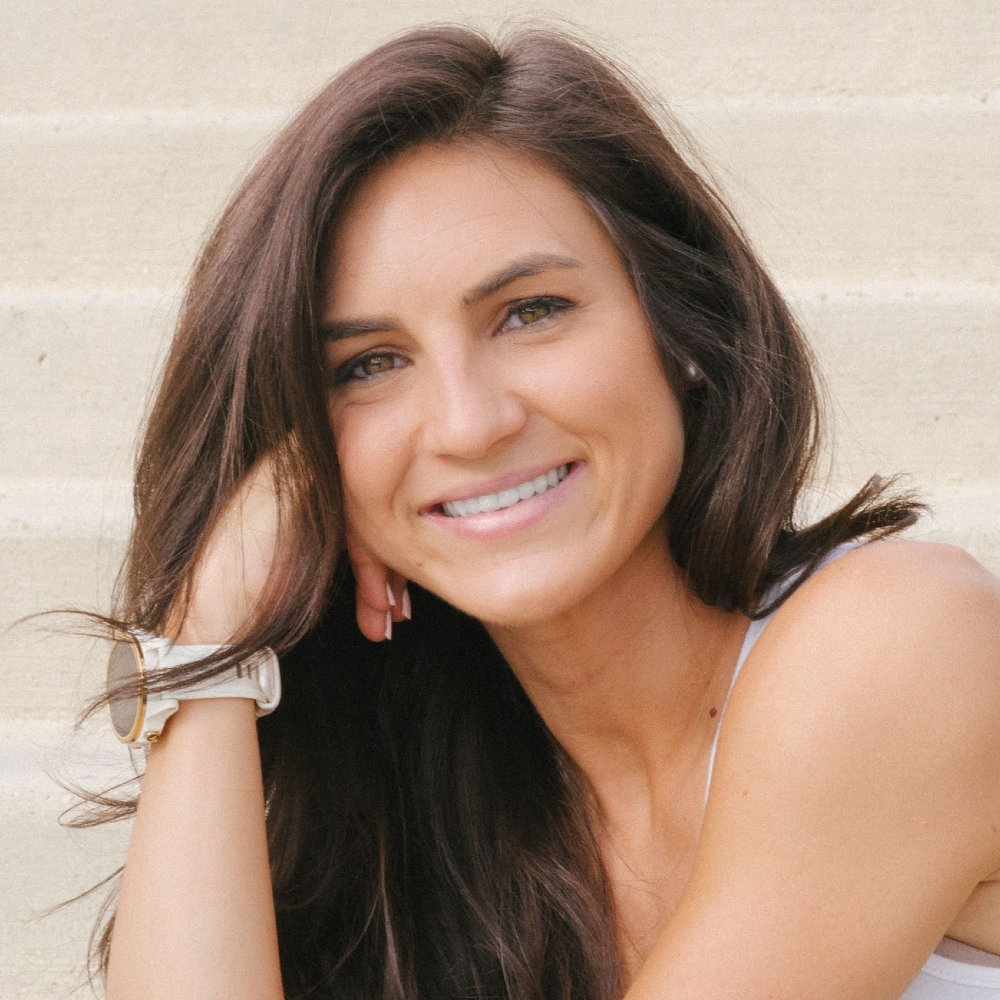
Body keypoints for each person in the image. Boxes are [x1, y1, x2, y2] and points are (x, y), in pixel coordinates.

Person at [72, 23, 999, 1000]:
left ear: (685, 323)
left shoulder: (901, 646)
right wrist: (210, 642)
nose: (470, 424)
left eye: (531, 311)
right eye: (370, 365)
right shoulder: (441, 828)